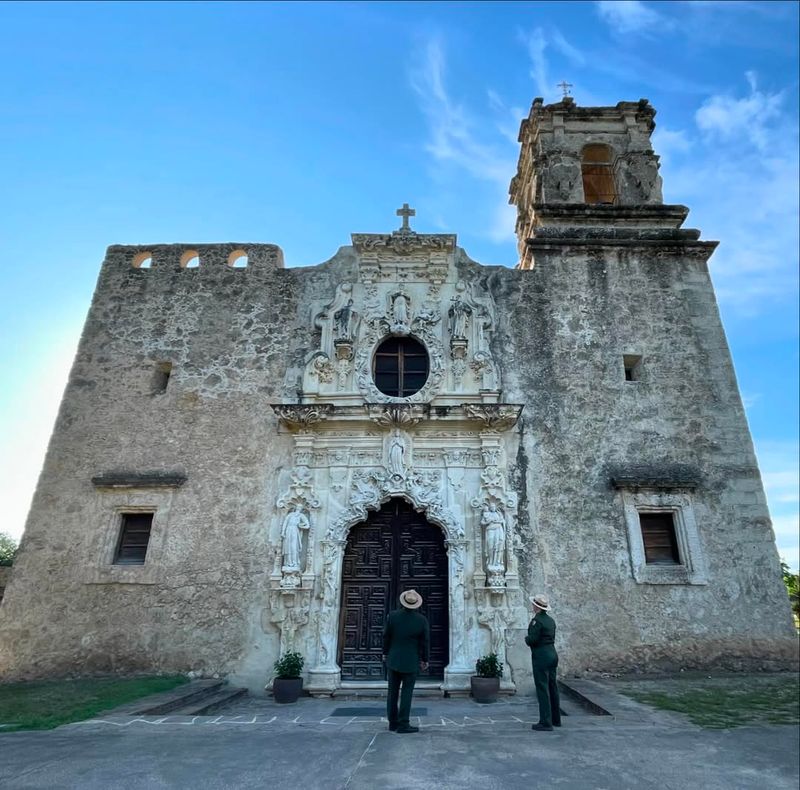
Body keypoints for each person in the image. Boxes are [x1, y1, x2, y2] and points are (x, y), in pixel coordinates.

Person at [383, 589, 430, 734]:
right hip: (411, 661)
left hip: (393, 659)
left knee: (392, 692)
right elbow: (425, 642)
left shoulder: (393, 616)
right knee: (406, 693)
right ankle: (404, 724)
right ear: (416, 604)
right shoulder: (421, 620)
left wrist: (385, 653)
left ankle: (392, 723)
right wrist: (425, 659)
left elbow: (386, 636)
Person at [525, 594, 561, 731]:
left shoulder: (537, 621)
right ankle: (555, 718)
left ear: (536, 606)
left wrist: (526, 639)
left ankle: (546, 721)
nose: (532, 606)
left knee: (542, 687)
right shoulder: (550, 621)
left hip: (541, 656)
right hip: (552, 654)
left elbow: (533, 639)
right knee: (553, 686)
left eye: (534, 604)